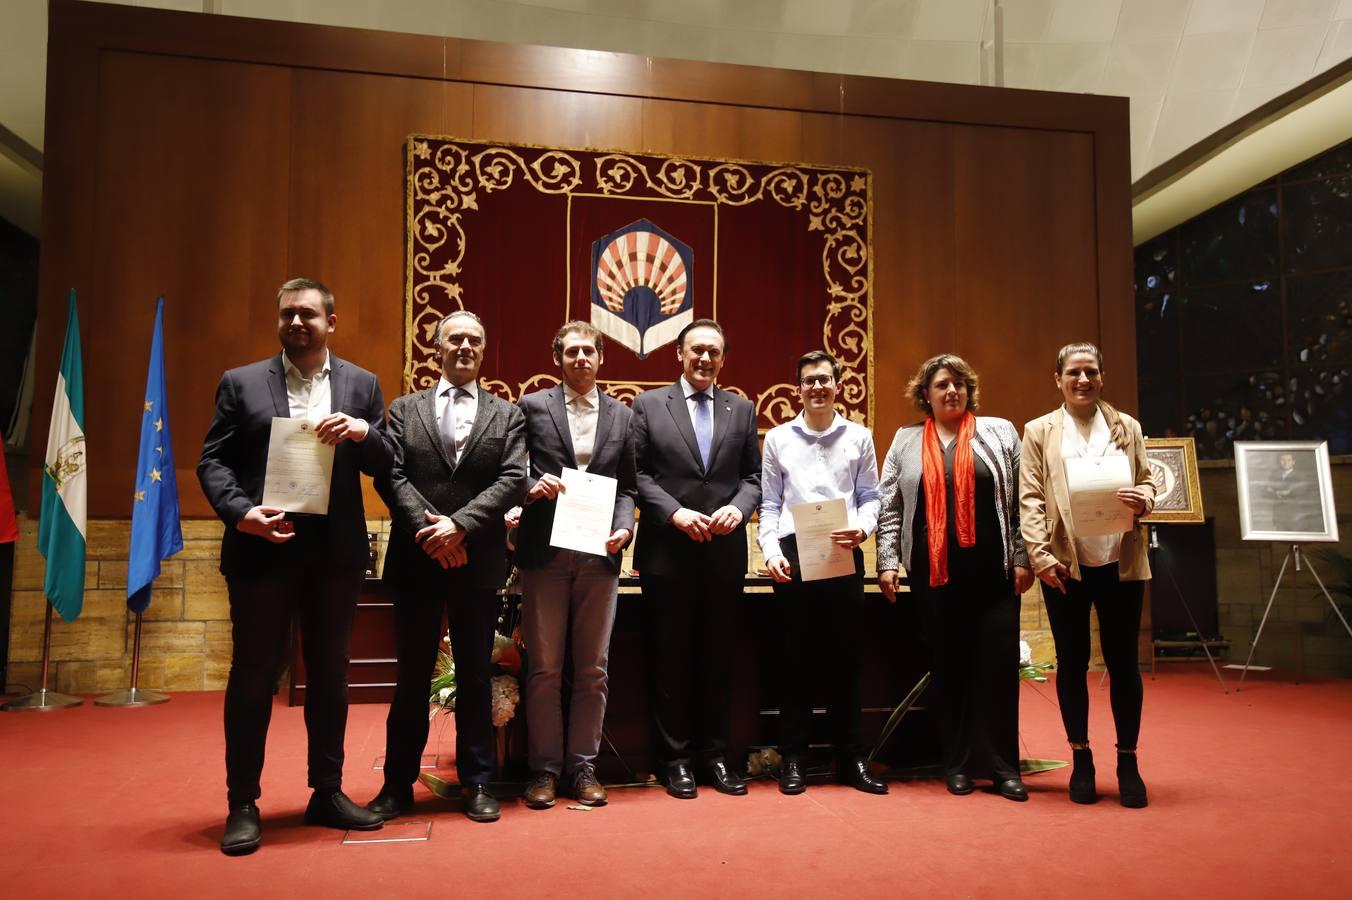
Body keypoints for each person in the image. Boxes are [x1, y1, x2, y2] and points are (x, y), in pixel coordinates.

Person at [198, 277, 390, 855]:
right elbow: (213, 462)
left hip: (334, 555)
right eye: (287, 315)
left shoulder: (362, 385)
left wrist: (365, 432)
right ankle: (242, 802)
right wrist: (241, 513)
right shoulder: (241, 382)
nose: (297, 323)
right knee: (256, 675)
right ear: (278, 322)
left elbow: (386, 464)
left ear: (332, 321)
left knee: (331, 675)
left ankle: (326, 792)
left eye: (308, 313)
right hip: (264, 548)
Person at [366, 310, 527, 823]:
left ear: (483, 351)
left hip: (476, 560)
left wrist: (458, 528)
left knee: (476, 675)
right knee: (411, 676)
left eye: (474, 340)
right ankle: (397, 786)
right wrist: (431, 532)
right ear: (436, 347)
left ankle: (478, 782)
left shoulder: (508, 415)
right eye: (455, 338)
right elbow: (389, 476)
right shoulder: (403, 409)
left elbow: (512, 480)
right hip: (417, 560)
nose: (464, 346)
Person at [876, 354, 1033, 801]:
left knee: (998, 671)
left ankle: (1004, 768)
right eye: (943, 384)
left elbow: (1022, 498)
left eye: (960, 384)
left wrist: (1022, 555)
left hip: (994, 577)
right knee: (949, 671)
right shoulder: (906, 441)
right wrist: (887, 561)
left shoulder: (999, 431)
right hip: (933, 577)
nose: (953, 391)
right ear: (925, 393)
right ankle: (958, 765)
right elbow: (890, 507)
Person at [1019, 341, 1155, 808]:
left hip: (1122, 561)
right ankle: (1081, 758)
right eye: (1074, 372)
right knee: (1072, 664)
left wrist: (1145, 497)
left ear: (1101, 377)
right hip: (1065, 567)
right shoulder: (1039, 431)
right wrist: (1039, 555)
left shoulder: (1126, 426)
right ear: (1057, 378)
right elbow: (1031, 497)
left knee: (1123, 666)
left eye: (1091, 372)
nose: (1083, 380)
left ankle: (1128, 760)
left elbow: (1148, 479)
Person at [631, 318, 761, 799]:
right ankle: (675, 761)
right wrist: (674, 512)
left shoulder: (741, 409)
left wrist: (739, 508)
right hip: (668, 553)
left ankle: (716, 758)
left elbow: (753, 477)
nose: (704, 359)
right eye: (696, 351)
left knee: (718, 661)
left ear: (723, 359)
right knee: (670, 661)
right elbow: (638, 474)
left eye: (713, 352)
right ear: (679, 355)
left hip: (724, 554)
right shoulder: (647, 405)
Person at [516, 321, 637, 809]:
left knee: (593, 670)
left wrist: (626, 528)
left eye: (589, 351)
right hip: (545, 552)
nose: (581, 359)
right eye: (572, 352)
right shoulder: (532, 406)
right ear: (558, 358)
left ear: (602, 358)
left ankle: (582, 768)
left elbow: (627, 487)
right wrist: (530, 486)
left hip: (599, 554)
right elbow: (513, 467)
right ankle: (544, 771)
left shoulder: (623, 416)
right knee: (544, 668)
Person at [759, 350, 887, 796]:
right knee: (795, 661)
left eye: (825, 380)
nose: (817, 387)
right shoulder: (777, 438)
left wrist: (864, 527)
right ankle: (793, 759)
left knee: (845, 662)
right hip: (793, 556)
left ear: (838, 385)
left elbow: (872, 496)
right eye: (809, 380)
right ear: (798, 388)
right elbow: (770, 505)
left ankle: (851, 760)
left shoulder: (859, 437)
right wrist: (770, 550)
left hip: (843, 551)